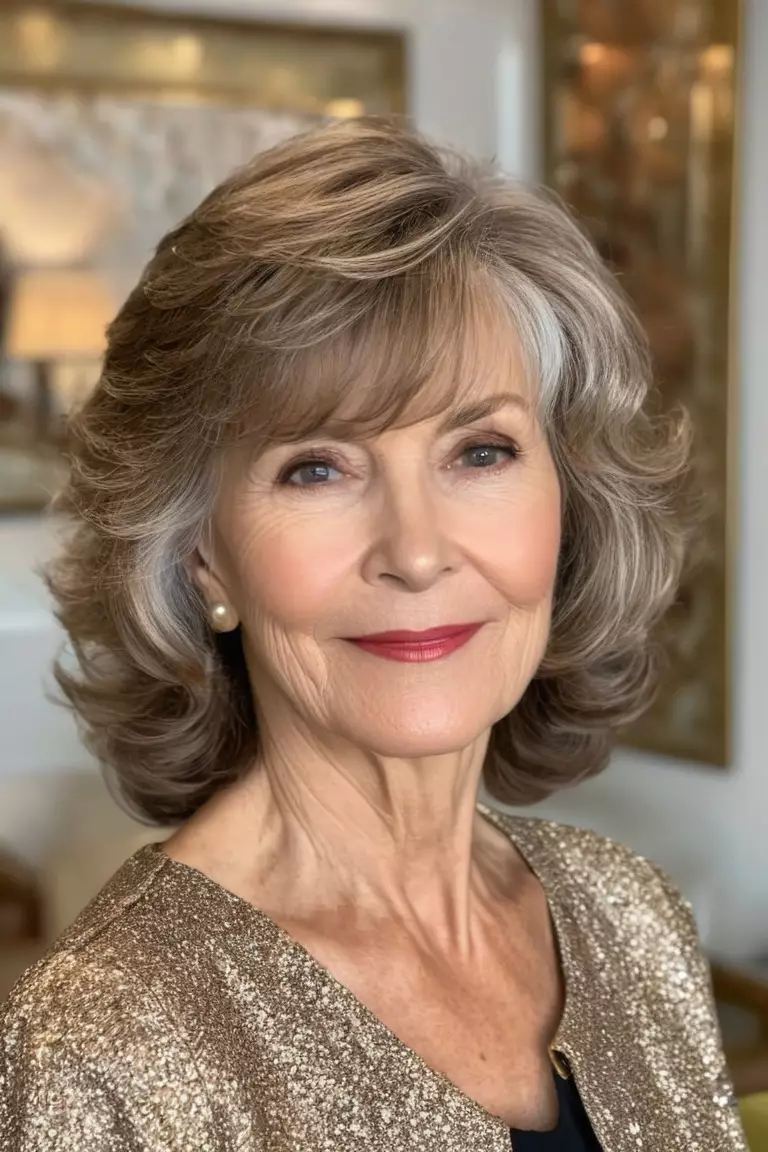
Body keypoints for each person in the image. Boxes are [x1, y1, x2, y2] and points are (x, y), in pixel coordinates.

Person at [0, 118, 746, 1151]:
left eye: (480, 452)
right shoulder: (104, 1044)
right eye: (317, 468)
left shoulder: (633, 916)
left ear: (569, 501)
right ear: (201, 554)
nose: (418, 552)